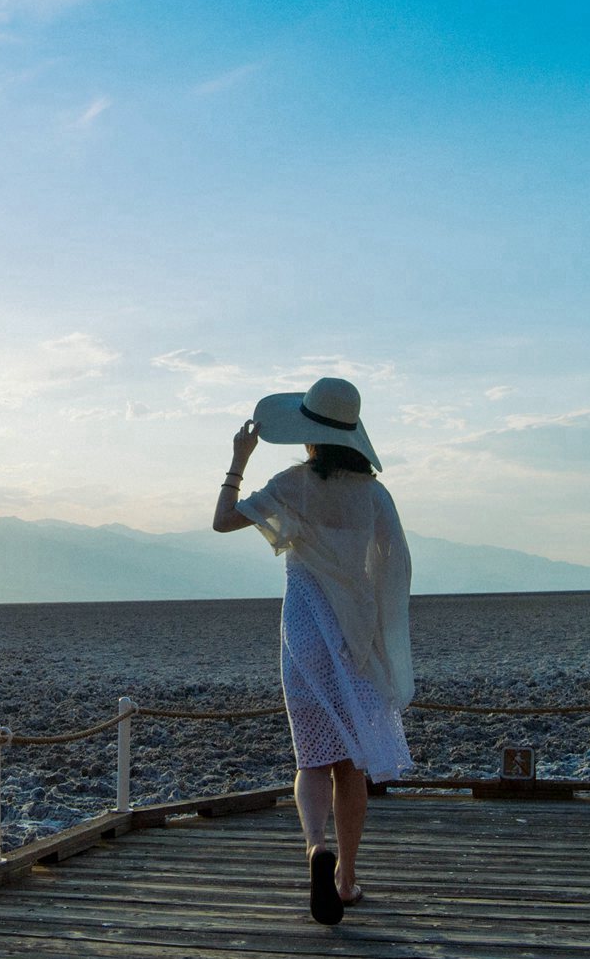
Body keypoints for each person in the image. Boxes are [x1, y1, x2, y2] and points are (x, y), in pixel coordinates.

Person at [211, 376, 414, 926]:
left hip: (303, 630)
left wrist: (239, 458)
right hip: (355, 636)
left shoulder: (293, 484)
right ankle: (345, 880)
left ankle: (315, 849)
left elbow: (223, 520)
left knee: (311, 756)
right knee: (351, 762)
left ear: (308, 435)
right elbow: (394, 570)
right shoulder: (374, 496)